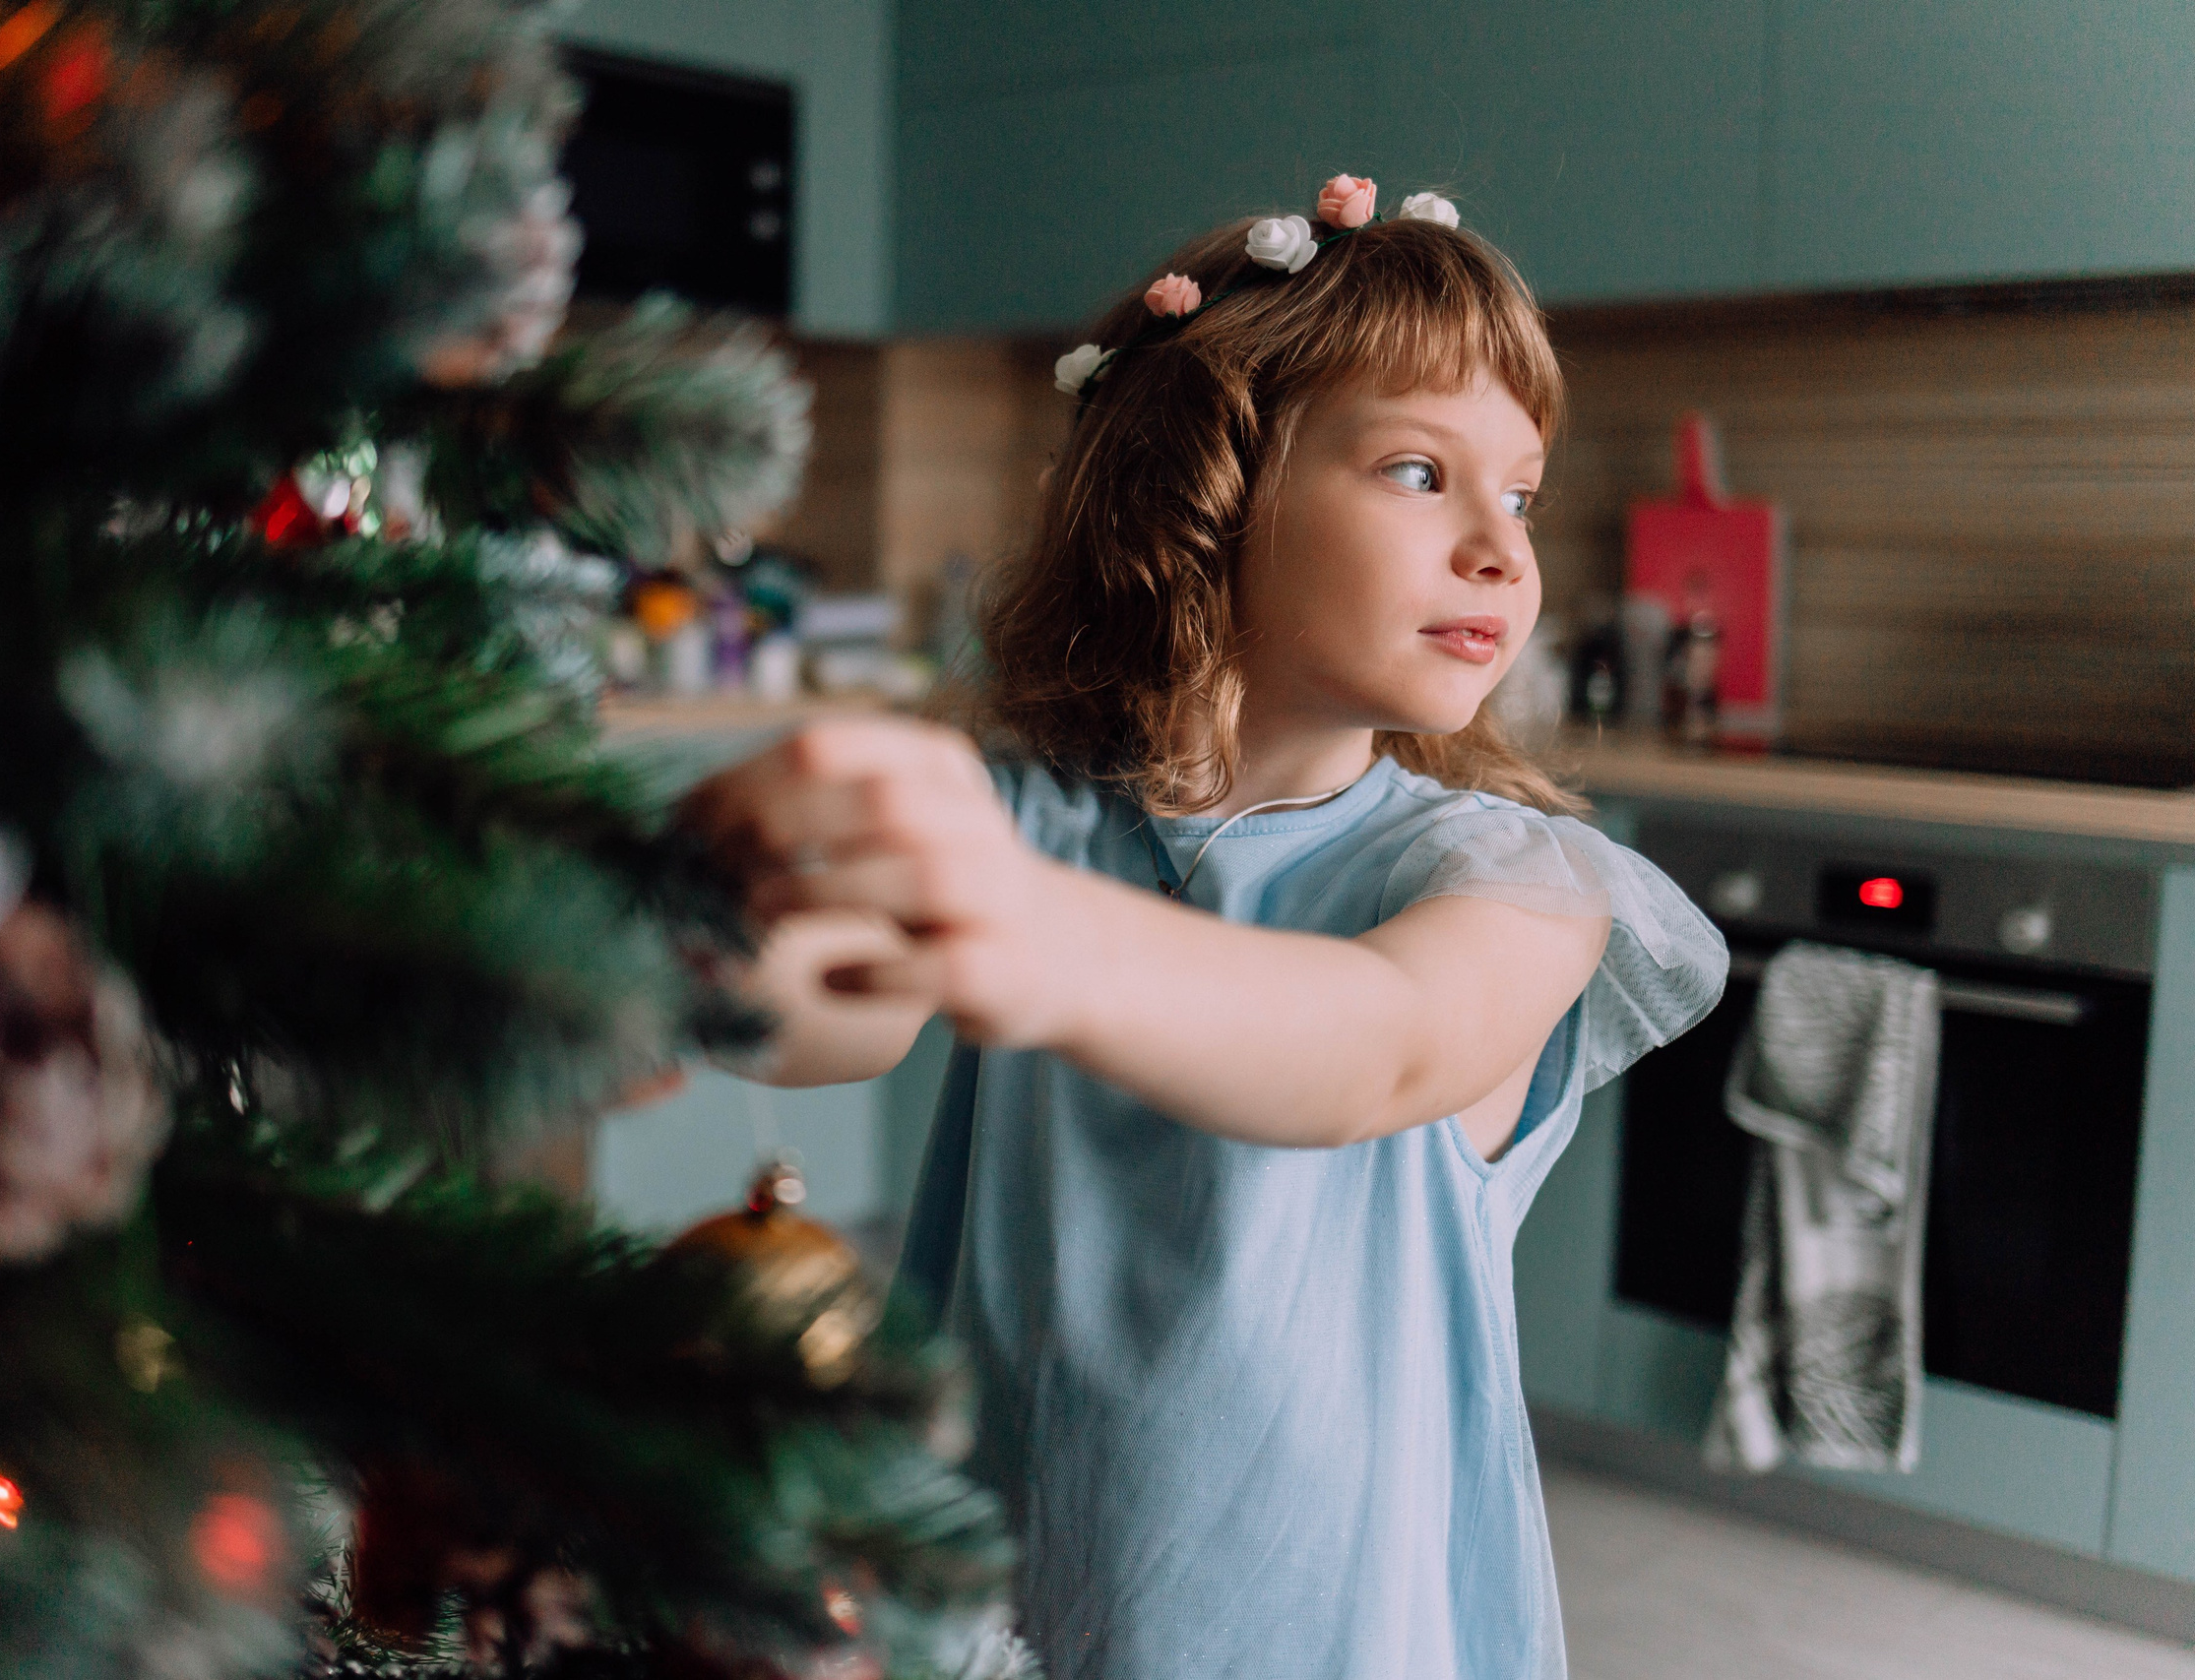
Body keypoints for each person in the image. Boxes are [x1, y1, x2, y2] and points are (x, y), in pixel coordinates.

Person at [684, 178, 1727, 1680]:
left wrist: (1031, 933)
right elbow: (818, 1027)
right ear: (1205, 495)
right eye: (1420, 472)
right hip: (1003, 1587)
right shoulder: (1041, 820)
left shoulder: (1519, 882)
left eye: (1522, 495)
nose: (1502, 548)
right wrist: (727, 916)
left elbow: (1376, 1048)